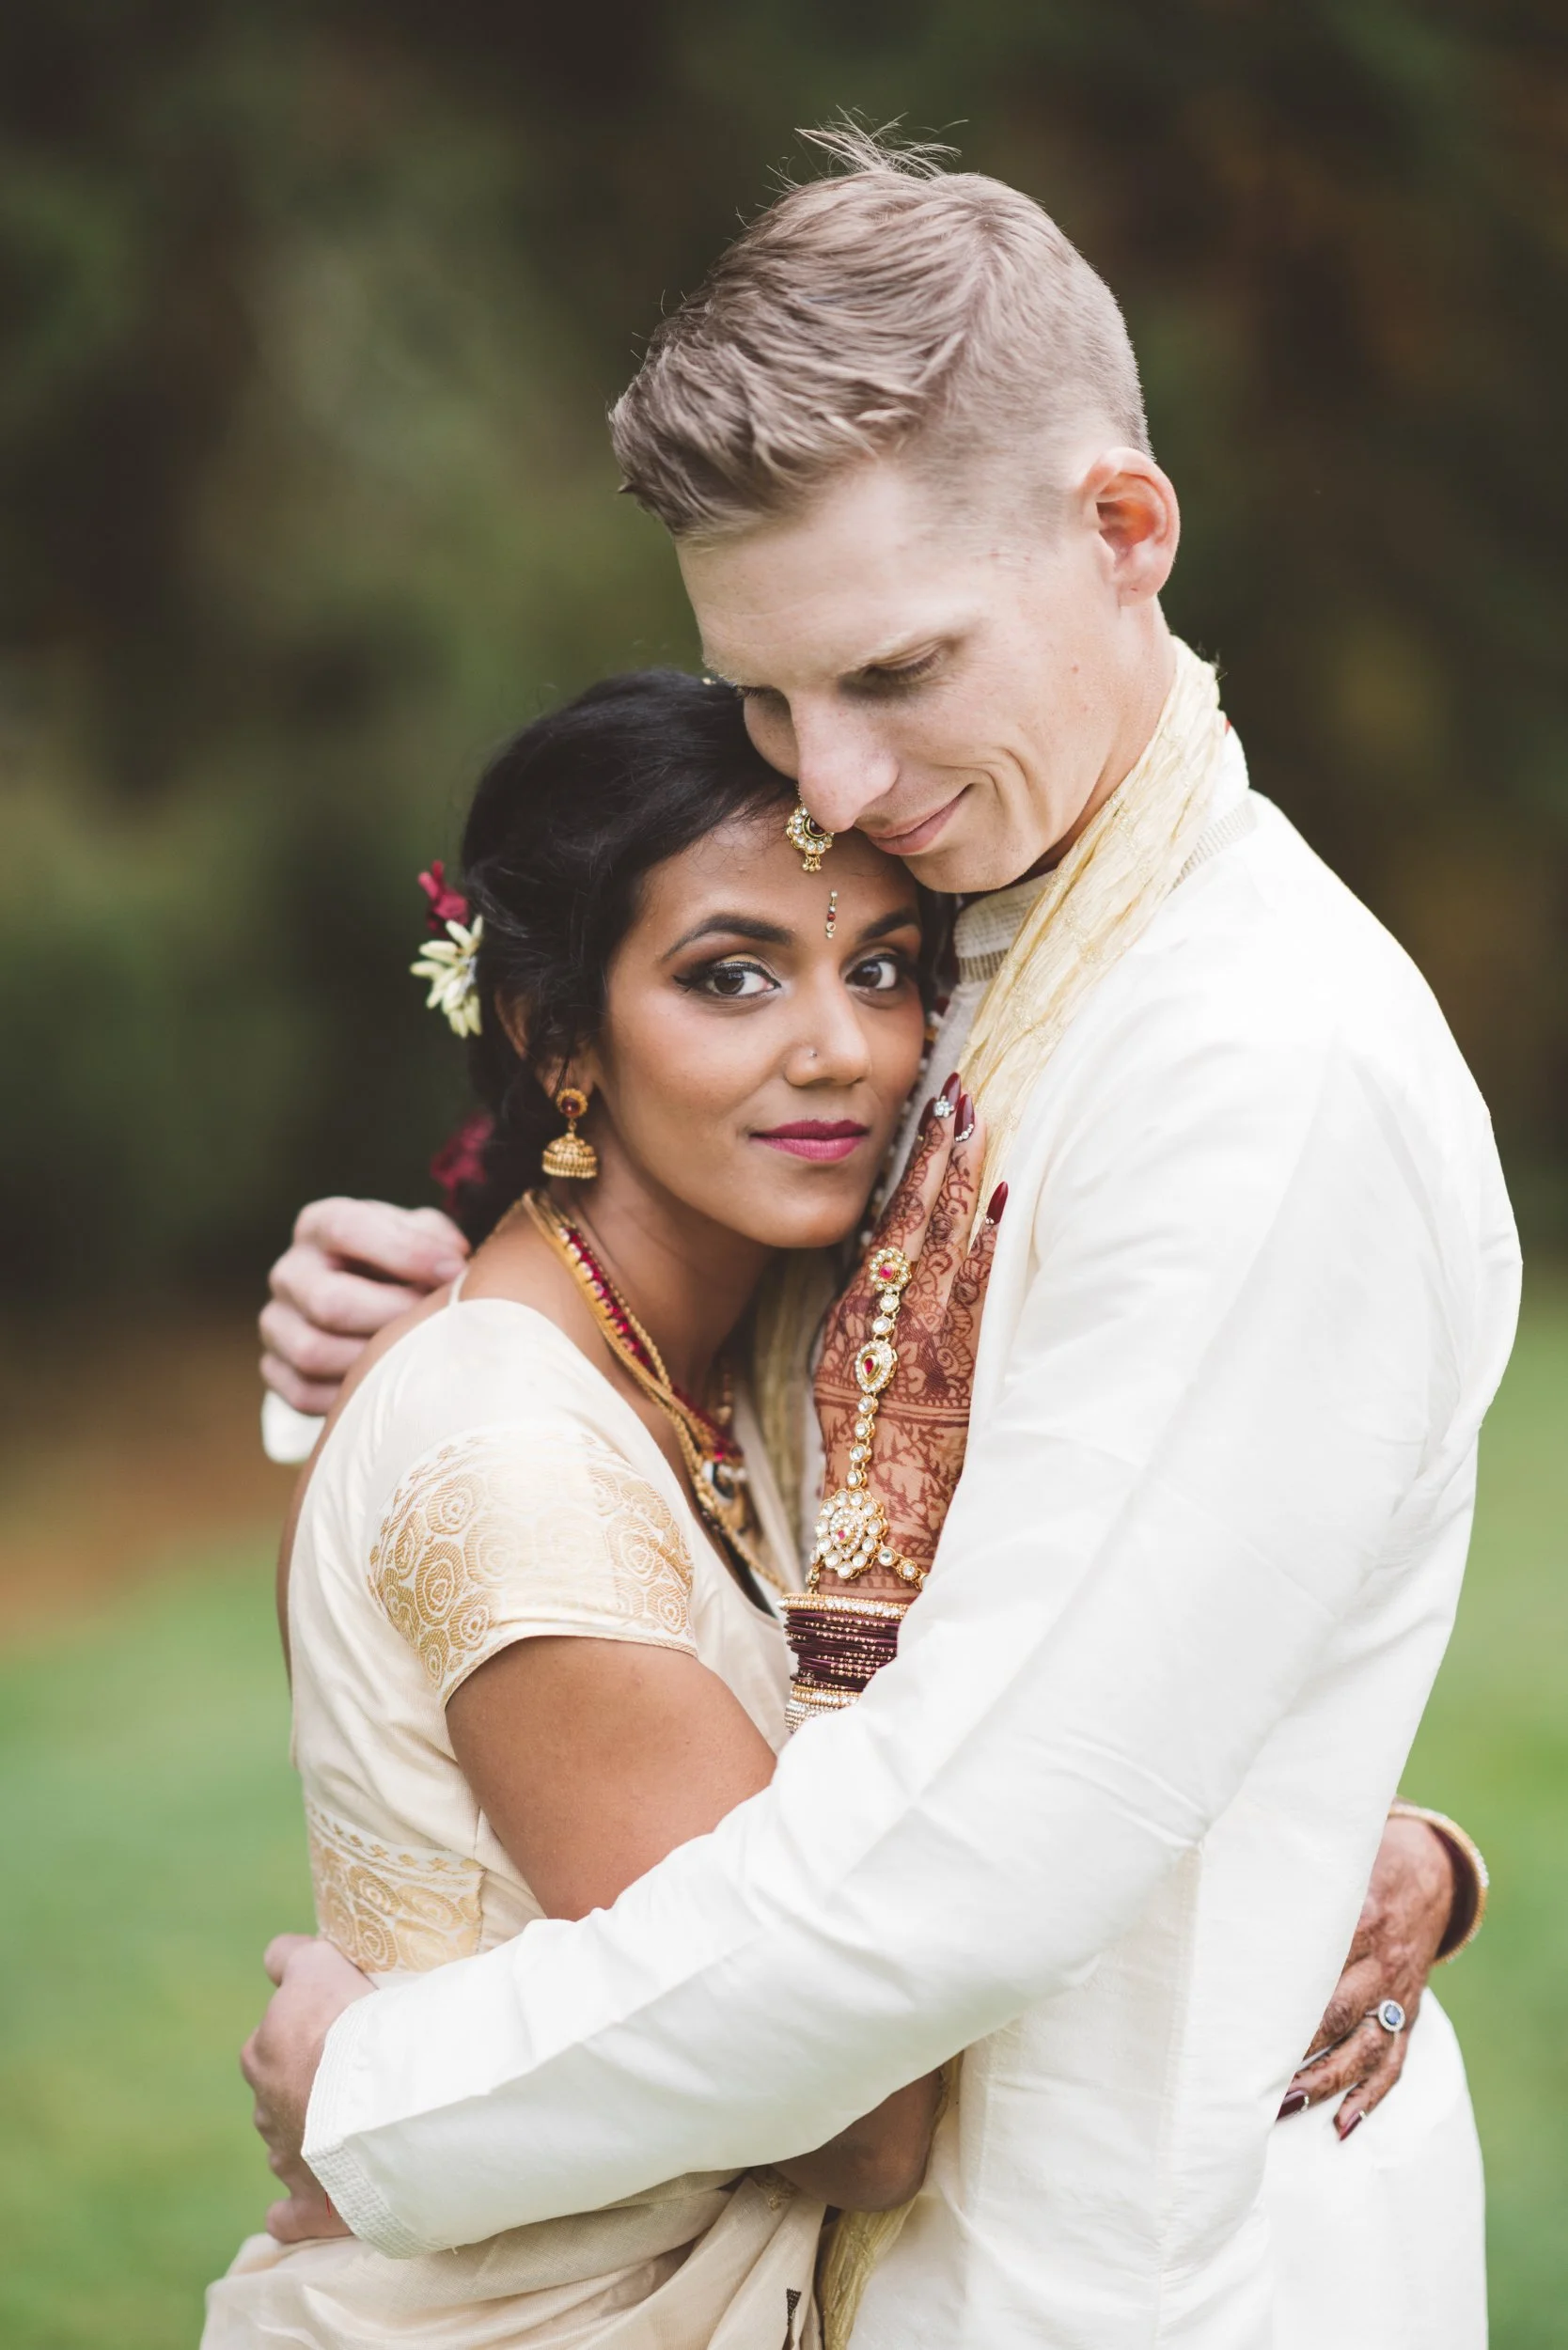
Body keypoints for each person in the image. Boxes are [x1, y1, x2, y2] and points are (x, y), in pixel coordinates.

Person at [245, 136, 1512, 2348]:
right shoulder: (1004, 926)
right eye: (764, 693)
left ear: (1125, 530)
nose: (824, 777)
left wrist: (385, 2087)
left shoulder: (1253, 1067)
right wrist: (469, 1298)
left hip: (1119, 2280)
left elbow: (965, 1859)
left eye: (895, 671)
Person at [209, 667, 1004, 2347]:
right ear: (556, 1032)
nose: (842, 1048)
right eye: (733, 977)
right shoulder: (510, 1454)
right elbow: (852, 2109)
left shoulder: (755, 1356)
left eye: (884, 969)